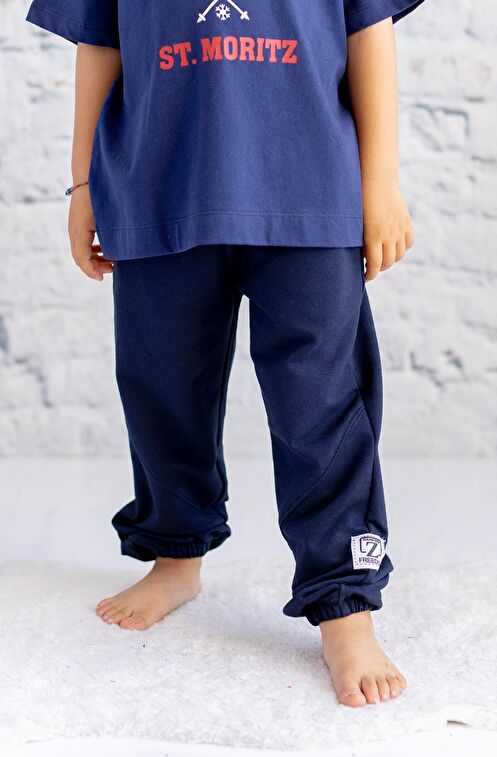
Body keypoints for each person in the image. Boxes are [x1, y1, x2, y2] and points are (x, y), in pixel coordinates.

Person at [26, 0, 426, 708]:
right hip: (156, 182)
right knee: (162, 385)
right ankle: (175, 553)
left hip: (310, 184)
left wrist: (380, 180)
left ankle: (344, 602)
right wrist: (84, 184)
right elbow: (99, 41)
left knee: (320, 402)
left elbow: (368, 28)